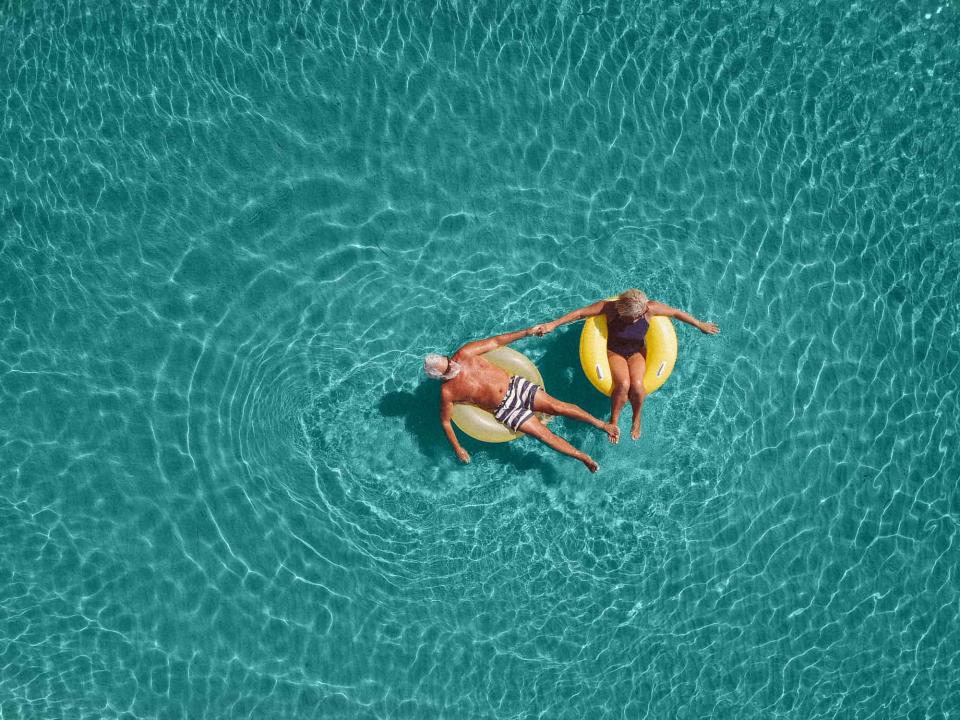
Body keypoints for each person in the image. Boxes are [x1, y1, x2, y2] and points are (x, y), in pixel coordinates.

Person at [530, 289, 719, 440]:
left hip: (636, 352)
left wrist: (700, 324)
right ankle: (614, 420)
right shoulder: (610, 308)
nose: (631, 320)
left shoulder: (649, 309)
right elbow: (580, 313)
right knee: (623, 384)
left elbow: (676, 313)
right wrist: (553, 324)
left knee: (637, 385)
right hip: (615, 351)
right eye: (628, 317)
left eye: (634, 318)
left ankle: (636, 418)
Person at [424, 326, 620, 472]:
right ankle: (582, 457)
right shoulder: (447, 392)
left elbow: (496, 341)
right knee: (543, 436)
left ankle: (602, 425)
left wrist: (527, 332)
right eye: (448, 369)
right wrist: (458, 448)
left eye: (448, 361)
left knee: (557, 406)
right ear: (440, 375)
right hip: (506, 410)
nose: (453, 366)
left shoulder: (464, 353)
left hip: (516, 385)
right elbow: (445, 421)